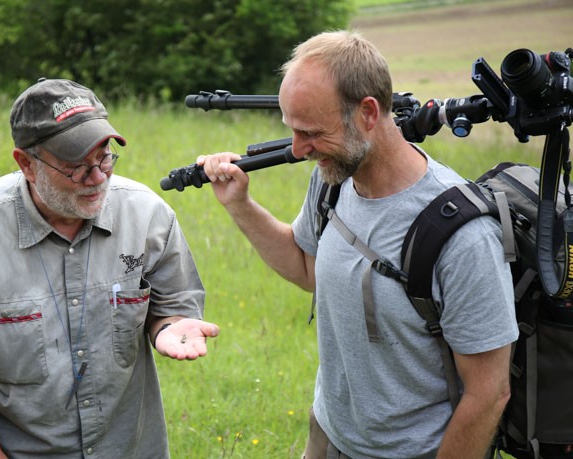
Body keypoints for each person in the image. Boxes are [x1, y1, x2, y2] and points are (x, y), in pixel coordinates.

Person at [198, 31, 518, 458]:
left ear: (368, 112)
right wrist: (240, 205)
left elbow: (488, 393)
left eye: (311, 132)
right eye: (292, 131)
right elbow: (307, 268)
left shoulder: (462, 236)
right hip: (329, 436)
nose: (297, 150)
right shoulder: (334, 180)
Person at [0, 78, 220, 458]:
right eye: (76, 167)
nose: (98, 178)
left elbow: (171, 306)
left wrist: (168, 325)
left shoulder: (148, 217)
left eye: (105, 157)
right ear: (27, 164)